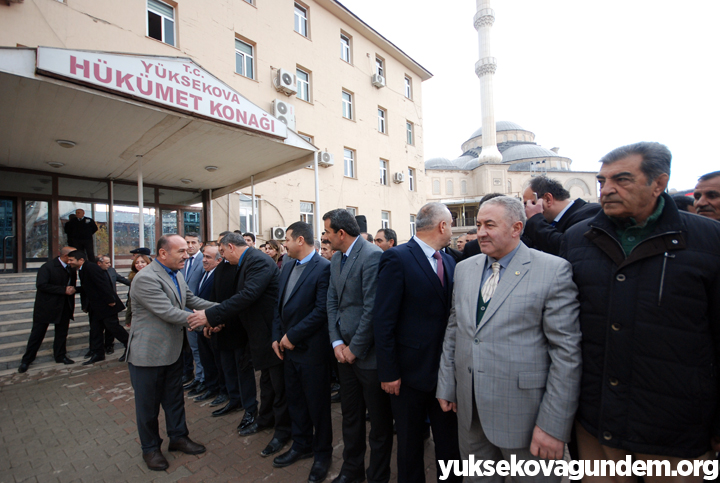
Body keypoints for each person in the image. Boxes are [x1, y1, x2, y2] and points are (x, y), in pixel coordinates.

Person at [561, 142, 720, 482]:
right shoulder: (577, 239)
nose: (607, 190)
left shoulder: (709, 241)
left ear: (659, 184)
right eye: (603, 181)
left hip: (675, 432)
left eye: (622, 180)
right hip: (597, 426)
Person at [437, 196, 582, 483]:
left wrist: (553, 426)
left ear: (517, 227)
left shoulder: (553, 270)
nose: (480, 232)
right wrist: (447, 384)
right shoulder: (466, 269)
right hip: (470, 412)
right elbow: (455, 328)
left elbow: (566, 354)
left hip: (525, 420)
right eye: (478, 224)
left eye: (489, 225)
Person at [373, 202, 461, 482]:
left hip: (445, 374)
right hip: (408, 376)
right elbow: (383, 320)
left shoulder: (448, 260)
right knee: (410, 445)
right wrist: (389, 372)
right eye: (451, 224)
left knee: (449, 444)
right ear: (442, 226)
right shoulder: (397, 258)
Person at [189, 232, 292, 458]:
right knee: (267, 382)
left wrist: (211, 315)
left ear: (231, 247)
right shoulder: (246, 261)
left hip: (269, 333)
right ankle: (265, 420)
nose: (222, 258)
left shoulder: (258, 261)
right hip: (258, 333)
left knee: (278, 385)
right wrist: (219, 319)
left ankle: (284, 431)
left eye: (223, 252)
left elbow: (247, 295)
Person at [126, 234, 216, 471]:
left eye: (187, 251)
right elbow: (168, 312)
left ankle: (178, 438)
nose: (187, 256)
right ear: (163, 253)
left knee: (174, 400)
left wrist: (222, 309)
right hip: (148, 355)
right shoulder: (145, 278)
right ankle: (151, 449)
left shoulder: (175, 273)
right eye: (181, 252)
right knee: (148, 406)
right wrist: (207, 320)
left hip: (173, 351)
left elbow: (190, 299)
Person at [324, 208, 393, 483]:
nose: (325, 238)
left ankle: (377, 475)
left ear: (341, 233)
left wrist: (355, 348)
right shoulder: (337, 259)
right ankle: (351, 470)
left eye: (328, 232)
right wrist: (337, 342)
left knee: (378, 423)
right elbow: (332, 302)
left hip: (368, 357)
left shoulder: (372, 256)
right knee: (350, 417)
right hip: (344, 354)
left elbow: (372, 309)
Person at [271, 221, 333, 482]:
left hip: (312, 352)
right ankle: (301, 444)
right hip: (287, 350)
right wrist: (277, 337)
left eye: (286, 239)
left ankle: (322, 455)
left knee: (317, 406)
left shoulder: (324, 268)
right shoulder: (287, 264)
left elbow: (321, 311)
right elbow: (279, 304)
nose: (283, 244)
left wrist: (291, 337)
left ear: (300, 240)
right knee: (295, 401)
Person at [203, 232, 257, 419]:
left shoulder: (243, 267)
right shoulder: (222, 268)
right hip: (221, 328)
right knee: (227, 369)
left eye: (222, 250)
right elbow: (214, 296)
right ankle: (234, 400)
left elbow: (242, 300)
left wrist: (218, 319)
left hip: (239, 329)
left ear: (231, 246)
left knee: (243, 371)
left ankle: (250, 408)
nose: (221, 254)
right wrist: (211, 321)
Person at [18, 246, 77, 373]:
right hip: (46, 306)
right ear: (66, 256)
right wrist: (63, 290)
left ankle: (60, 356)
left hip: (64, 306)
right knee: (37, 334)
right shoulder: (48, 267)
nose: (75, 259)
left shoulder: (71, 269)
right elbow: (41, 285)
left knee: (62, 333)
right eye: (74, 256)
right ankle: (27, 360)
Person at [69, 250, 129, 365]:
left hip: (106, 305)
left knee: (114, 327)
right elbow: (89, 287)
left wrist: (110, 300)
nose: (69, 262)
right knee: (96, 330)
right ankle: (98, 354)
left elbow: (103, 284)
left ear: (80, 260)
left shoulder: (91, 268)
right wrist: (76, 289)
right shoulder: (83, 270)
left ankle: (130, 346)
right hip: (96, 306)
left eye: (71, 260)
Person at [186, 244, 226, 405]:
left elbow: (218, 301)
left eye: (208, 257)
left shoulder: (219, 276)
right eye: (203, 256)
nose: (204, 260)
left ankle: (220, 389)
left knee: (216, 361)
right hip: (202, 324)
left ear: (218, 260)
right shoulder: (206, 273)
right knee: (205, 358)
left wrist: (213, 320)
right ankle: (210, 386)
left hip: (212, 325)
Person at [522, 176, 602, 255]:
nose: (527, 209)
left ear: (548, 199)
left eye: (530, 203)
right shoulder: (546, 222)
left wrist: (535, 219)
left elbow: (564, 247)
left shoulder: (591, 213)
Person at [182, 233, 206, 393]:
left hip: (197, 312)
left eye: (193, 242)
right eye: (187, 242)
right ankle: (196, 377)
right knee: (190, 348)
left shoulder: (203, 260)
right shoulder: (183, 261)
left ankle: (202, 379)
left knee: (198, 348)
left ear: (200, 243)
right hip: (182, 312)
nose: (190, 245)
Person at [95, 255, 131, 355]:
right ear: (99, 263)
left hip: (112, 303)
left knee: (112, 327)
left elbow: (122, 279)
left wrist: (136, 283)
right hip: (101, 304)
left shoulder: (111, 271)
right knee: (100, 327)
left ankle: (109, 345)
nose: (109, 264)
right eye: (107, 263)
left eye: (109, 262)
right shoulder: (95, 273)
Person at [461, 193, 504, 260]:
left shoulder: (525, 247)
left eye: (490, 225)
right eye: (478, 225)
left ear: (516, 228)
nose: (481, 233)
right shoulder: (471, 249)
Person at [125, 253, 151, 327]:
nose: (139, 264)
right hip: (138, 314)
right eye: (137, 262)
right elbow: (131, 299)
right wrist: (128, 317)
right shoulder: (134, 278)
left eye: (143, 262)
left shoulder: (153, 277)